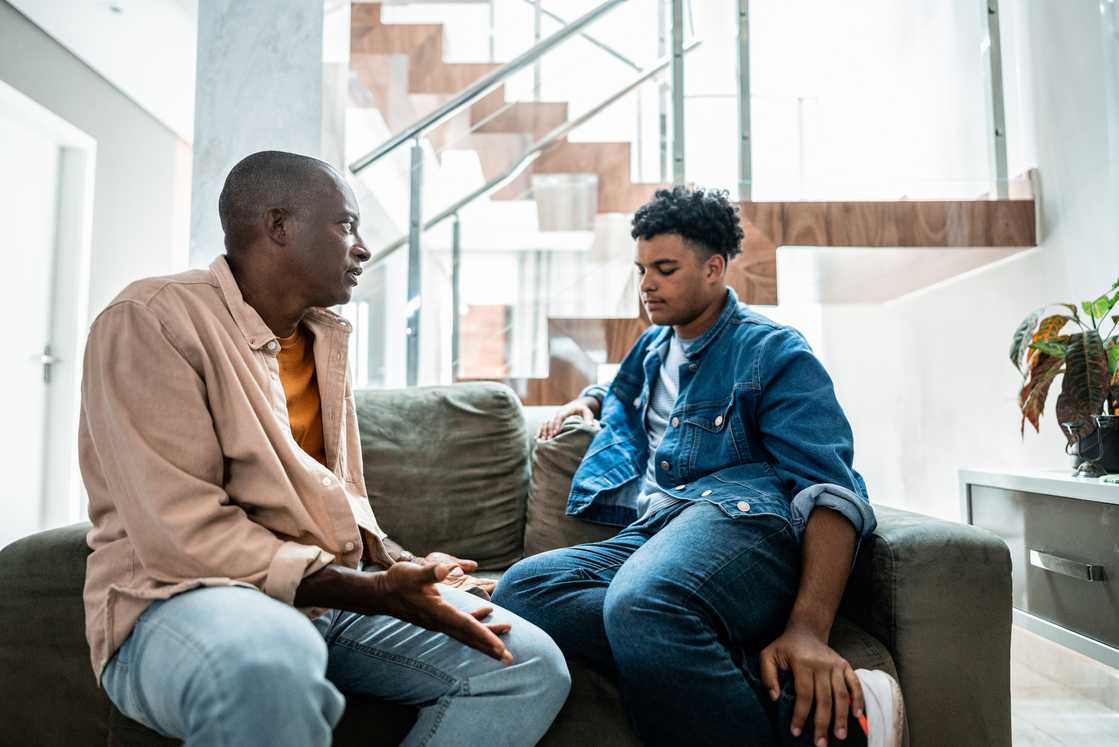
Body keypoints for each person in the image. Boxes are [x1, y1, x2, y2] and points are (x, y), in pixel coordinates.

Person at [79, 150, 570, 747]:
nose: (362, 247)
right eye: (346, 225)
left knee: (527, 664)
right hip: (183, 603)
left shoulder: (320, 339)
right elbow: (181, 536)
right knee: (270, 660)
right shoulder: (152, 319)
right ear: (279, 226)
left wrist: (404, 571)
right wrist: (370, 592)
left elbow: (336, 507)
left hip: (324, 600)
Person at [492, 186, 904, 747]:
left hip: (743, 521)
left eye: (664, 269)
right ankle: (722, 663)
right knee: (524, 589)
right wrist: (588, 401)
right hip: (658, 530)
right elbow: (623, 388)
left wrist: (808, 629)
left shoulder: (772, 352)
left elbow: (829, 490)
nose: (645, 285)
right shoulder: (654, 345)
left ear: (714, 269)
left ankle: (675, 626)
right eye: (640, 269)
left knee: (642, 600)